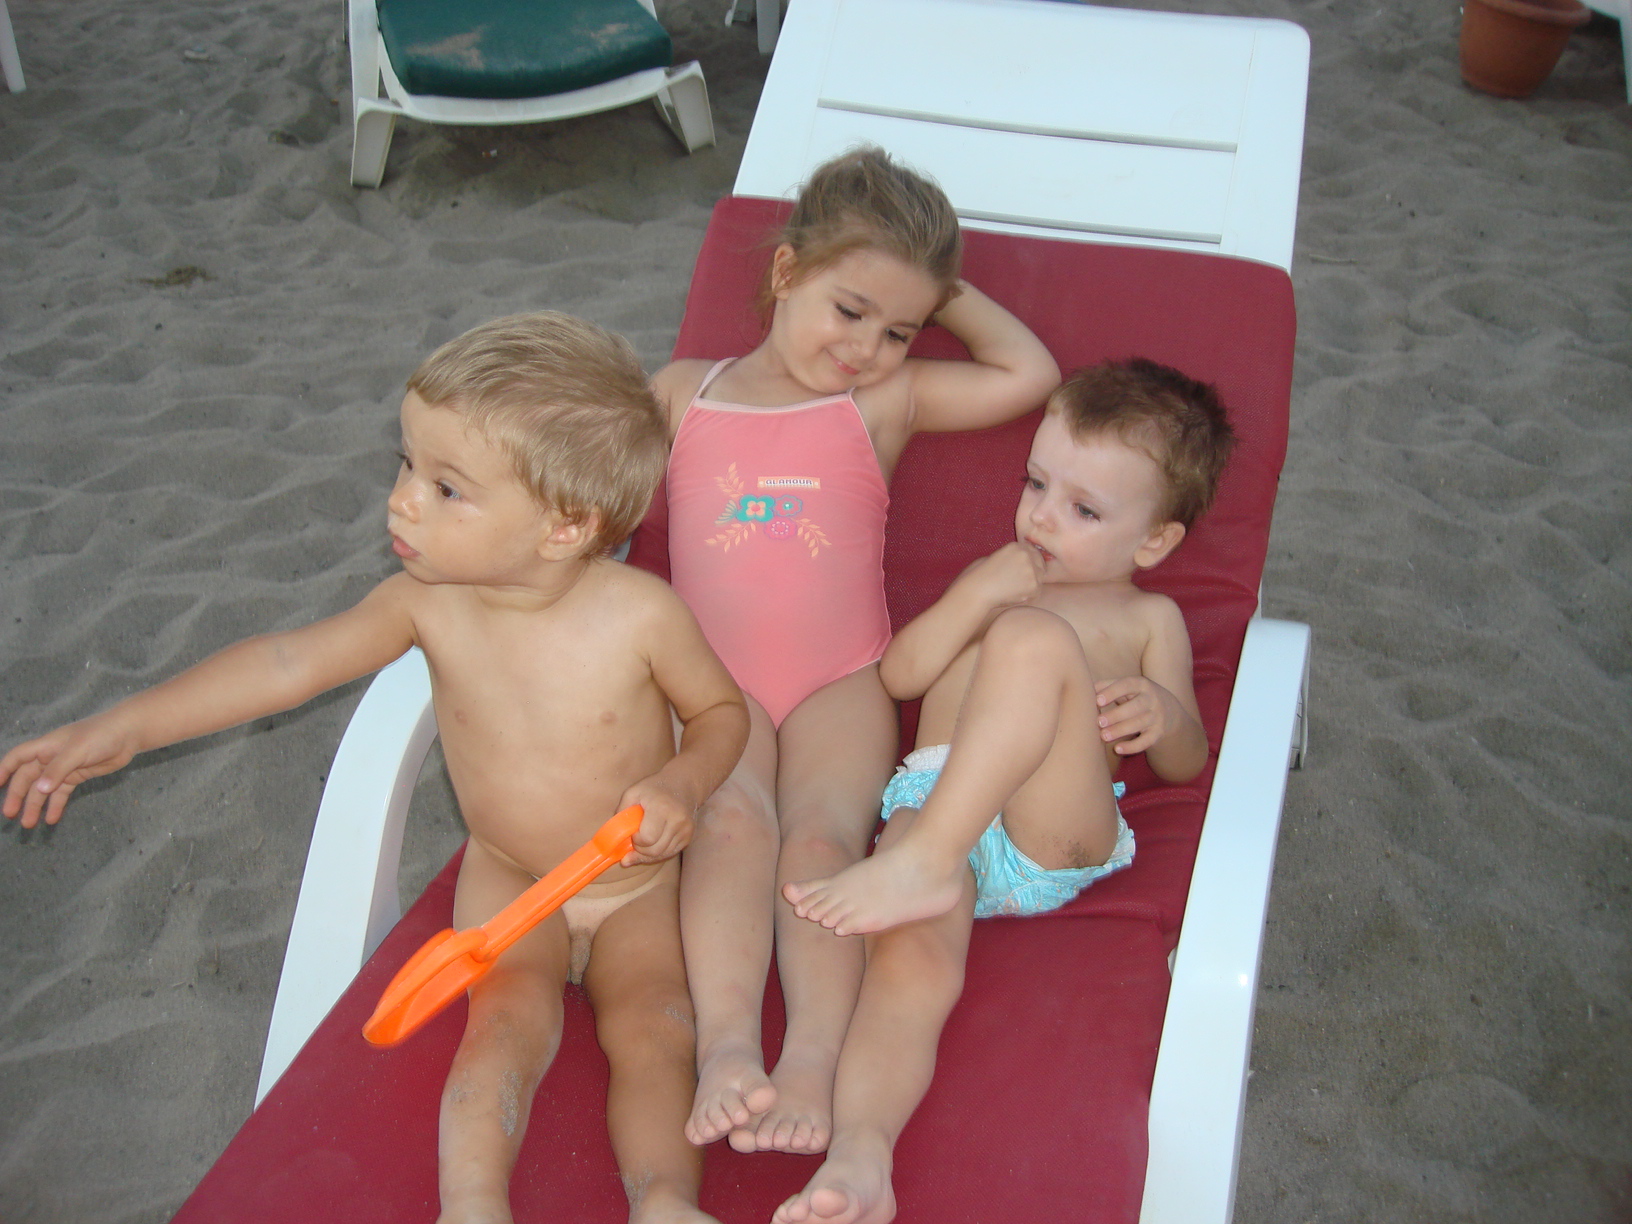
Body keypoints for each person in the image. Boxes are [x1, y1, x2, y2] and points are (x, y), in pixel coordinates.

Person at [0, 313, 750, 1224]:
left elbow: (722, 715)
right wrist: (127, 725)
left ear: (565, 525)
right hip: (511, 875)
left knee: (657, 1033)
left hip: (632, 884)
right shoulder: (424, 605)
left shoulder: (641, 616)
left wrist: (683, 783)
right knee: (503, 1028)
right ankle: (471, 1205)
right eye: (406, 466)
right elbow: (287, 663)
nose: (400, 502)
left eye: (445, 487)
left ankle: (663, 1202)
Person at [648, 146, 1061, 1157]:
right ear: (786, 270)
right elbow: (588, 493)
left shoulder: (885, 401)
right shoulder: (685, 393)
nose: (868, 346)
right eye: (850, 309)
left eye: (899, 329)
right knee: (729, 829)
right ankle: (728, 1047)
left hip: (841, 681)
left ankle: (812, 1061)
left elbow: (1032, 375)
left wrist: (940, 289)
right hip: (715, 687)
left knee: (823, 846)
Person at [773, 359, 1234, 1224]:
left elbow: (1187, 762)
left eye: (1084, 510)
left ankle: (924, 864)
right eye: (1035, 484)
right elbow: (903, 676)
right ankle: (862, 1155)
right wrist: (973, 594)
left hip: (1047, 822)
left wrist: (1163, 713)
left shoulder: (1150, 620)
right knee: (910, 968)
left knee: (1031, 639)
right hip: (938, 808)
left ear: (1153, 542)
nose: (1042, 517)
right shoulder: (994, 580)